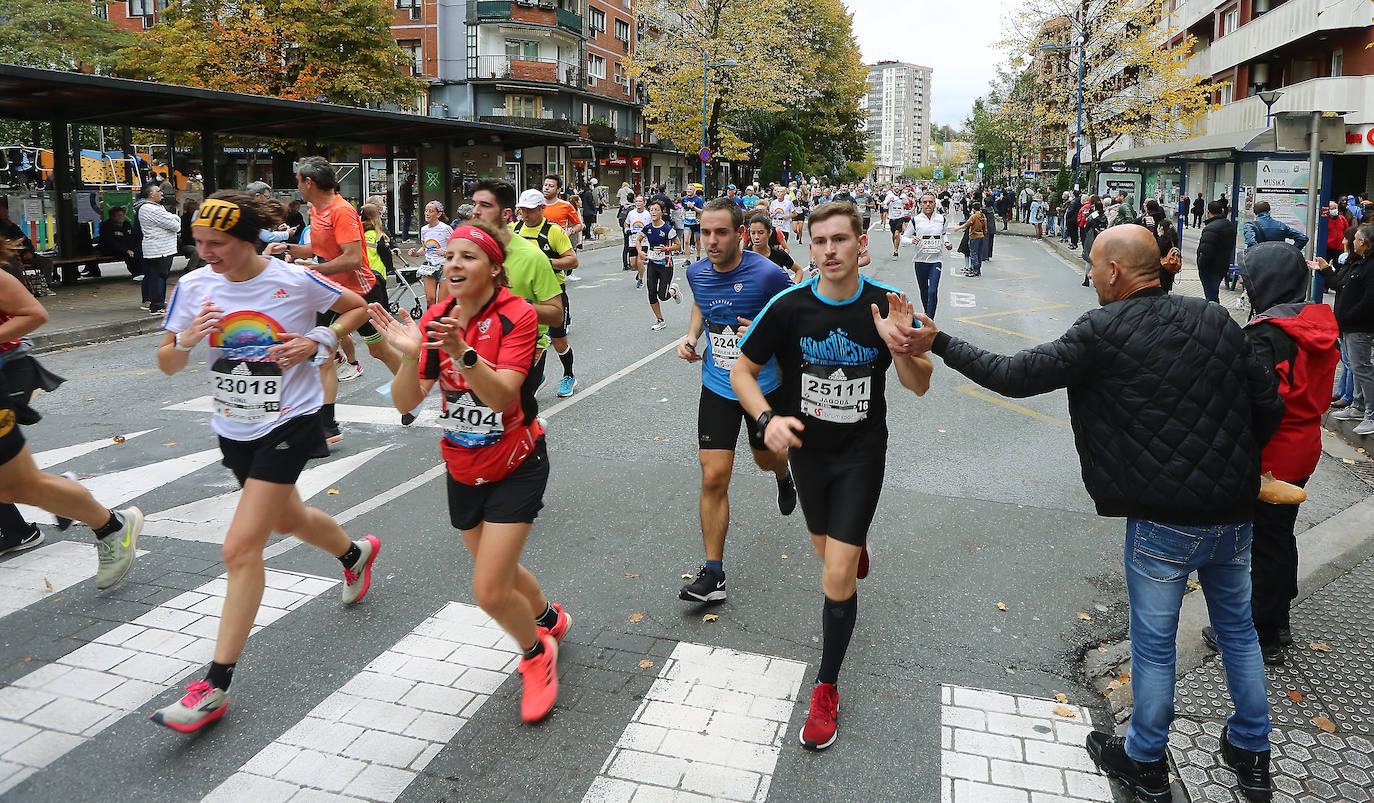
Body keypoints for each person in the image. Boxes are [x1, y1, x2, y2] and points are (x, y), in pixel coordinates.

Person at [909, 225, 1284, 803]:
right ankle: (1253, 755)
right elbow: (1268, 405)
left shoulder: (1102, 330)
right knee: (1237, 631)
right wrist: (1235, 470)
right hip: (1234, 515)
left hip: (1162, 521)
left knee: (1155, 644)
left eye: (1092, 265)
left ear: (1113, 272)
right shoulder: (1216, 319)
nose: (1089, 274)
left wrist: (940, 342)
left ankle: (1145, 761)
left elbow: (1014, 376)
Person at [149, 192, 380, 732]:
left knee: (240, 547)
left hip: (290, 421)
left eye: (218, 244)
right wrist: (184, 340)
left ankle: (214, 684)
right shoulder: (194, 286)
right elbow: (165, 364)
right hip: (234, 426)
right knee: (287, 519)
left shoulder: (292, 280)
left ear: (249, 240)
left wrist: (317, 340)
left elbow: (357, 307)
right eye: (199, 243)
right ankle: (354, 553)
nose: (207, 253)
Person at [731, 201, 933, 751]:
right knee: (827, 553)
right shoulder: (789, 306)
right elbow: (742, 370)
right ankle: (848, 544)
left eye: (840, 240)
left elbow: (919, 384)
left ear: (860, 244)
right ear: (808, 246)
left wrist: (902, 344)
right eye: (819, 242)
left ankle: (825, 685)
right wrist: (766, 418)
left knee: (835, 576)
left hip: (862, 455)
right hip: (809, 455)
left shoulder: (886, 304)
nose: (829, 251)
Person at [370, 218, 569, 724]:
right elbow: (407, 402)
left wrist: (460, 350)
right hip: (461, 463)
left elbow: (502, 394)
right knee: (495, 569)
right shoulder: (437, 314)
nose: (454, 264)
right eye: (450, 256)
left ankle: (535, 653)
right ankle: (549, 617)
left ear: (494, 269)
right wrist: (408, 357)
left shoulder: (517, 315)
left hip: (517, 460)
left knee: (488, 588)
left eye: (469, 256)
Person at [1193, 242, 1339, 671]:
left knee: (1260, 543)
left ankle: (1261, 630)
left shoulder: (1265, 335)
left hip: (1270, 449)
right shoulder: (1313, 322)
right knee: (1279, 535)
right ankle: (1278, 617)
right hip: (1306, 442)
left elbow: (1251, 400)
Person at [676, 198, 797, 604]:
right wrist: (692, 338)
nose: (710, 241)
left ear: (740, 233)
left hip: (762, 388)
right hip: (717, 384)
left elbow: (795, 314)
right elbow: (700, 302)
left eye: (720, 232)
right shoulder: (696, 271)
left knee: (766, 459)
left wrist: (762, 332)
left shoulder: (766, 274)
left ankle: (783, 474)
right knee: (713, 476)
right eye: (705, 232)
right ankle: (714, 575)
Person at [0, 248, 143, 577]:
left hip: (10, 372)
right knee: (12, 486)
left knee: (15, 487)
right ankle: (63, 497)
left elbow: (33, 313)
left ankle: (110, 525)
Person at [271, 156, 400, 442]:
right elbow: (318, 249)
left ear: (309, 182)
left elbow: (353, 259)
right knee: (323, 354)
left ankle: (412, 391)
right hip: (328, 292)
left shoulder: (341, 211)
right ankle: (327, 425)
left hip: (361, 291)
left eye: (297, 182)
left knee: (379, 351)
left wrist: (315, 267)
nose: (297, 188)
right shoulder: (316, 209)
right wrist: (289, 248)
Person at [468, 179, 564, 395]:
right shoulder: (465, 251)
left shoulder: (532, 257)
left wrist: (513, 307)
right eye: (474, 204)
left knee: (513, 418)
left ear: (506, 214)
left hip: (521, 353)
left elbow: (557, 315)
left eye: (485, 205)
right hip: (475, 351)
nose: (475, 212)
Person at [511, 189, 580, 397]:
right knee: (525, 340)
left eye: (530, 210)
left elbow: (573, 261)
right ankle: (536, 376)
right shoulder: (516, 230)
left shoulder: (553, 231)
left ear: (542, 208)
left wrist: (545, 263)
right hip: (525, 295)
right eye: (522, 209)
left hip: (552, 293)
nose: (525, 214)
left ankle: (569, 375)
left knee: (558, 340)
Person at [1319, 225, 1374, 435]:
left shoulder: (1370, 266)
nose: (1349, 242)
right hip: (1347, 325)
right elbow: (1339, 284)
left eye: (1355, 239)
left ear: (1363, 242)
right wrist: (1325, 270)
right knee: (1354, 365)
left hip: (1359, 326)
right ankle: (1358, 406)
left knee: (1361, 367)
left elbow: (1369, 298)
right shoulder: (1355, 262)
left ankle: (1371, 413)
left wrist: (1350, 314)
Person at [135, 182, 182, 316]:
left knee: (154, 276)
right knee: (159, 276)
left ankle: (154, 302)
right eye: (159, 191)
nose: (162, 193)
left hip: (158, 248)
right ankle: (157, 305)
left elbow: (170, 220)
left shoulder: (152, 207)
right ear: (151, 194)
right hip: (160, 249)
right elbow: (174, 225)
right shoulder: (151, 209)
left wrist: (172, 218)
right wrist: (175, 218)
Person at [637, 198, 682, 330]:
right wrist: (640, 252)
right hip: (652, 264)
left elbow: (678, 245)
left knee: (662, 296)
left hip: (666, 265)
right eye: (651, 210)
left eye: (656, 210)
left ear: (662, 212)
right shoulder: (648, 228)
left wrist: (666, 249)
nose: (653, 212)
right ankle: (660, 320)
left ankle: (673, 290)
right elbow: (638, 240)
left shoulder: (668, 229)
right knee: (651, 292)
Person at [905, 192, 952, 317]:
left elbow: (943, 233)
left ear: (935, 204)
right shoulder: (916, 220)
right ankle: (927, 313)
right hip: (920, 261)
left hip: (936, 261)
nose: (928, 204)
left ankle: (930, 320)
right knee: (924, 291)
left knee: (932, 291)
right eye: (925, 202)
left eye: (930, 202)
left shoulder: (941, 219)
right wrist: (911, 241)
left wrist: (947, 242)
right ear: (920, 204)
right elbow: (904, 238)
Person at [409, 201, 453, 308]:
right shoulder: (424, 230)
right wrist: (416, 254)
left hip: (445, 267)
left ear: (438, 214)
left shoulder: (446, 229)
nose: (427, 213)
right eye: (426, 211)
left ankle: (440, 322)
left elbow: (457, 247)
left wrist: (446, 253)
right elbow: (425, 249)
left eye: (431, 211)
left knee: (442, 302)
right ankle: (430, 323)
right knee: (430, 299)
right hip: (429, 265)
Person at [1196, 200, 1237, 303]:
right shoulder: (1229, 225)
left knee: (1211, 298)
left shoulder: (1211, 228)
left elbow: (1206, 251)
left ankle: (1214, 317)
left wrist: (1201, 265)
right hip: (1222, 265)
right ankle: (1216, 314)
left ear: (1208, 212)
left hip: (1210, 268)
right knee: (1213, 295)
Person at [746, 214, 801, 283]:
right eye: (753, 233)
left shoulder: (779, 254)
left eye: (761, 233)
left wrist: (793, 289)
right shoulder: (744, 255)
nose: (756, 237)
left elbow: (799, 271)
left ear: (769, 233)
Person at [1142, 199, 1180, 293]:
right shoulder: (1172, 237)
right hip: (1169, 269)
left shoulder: (1162, 240)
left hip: (1161, 270)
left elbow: (1156, 251)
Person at [1244, 201, 1309, 253]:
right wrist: (1291, 253)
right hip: (1279, 263)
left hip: (1258, 264)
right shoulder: (1281, 226)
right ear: (1269, 212)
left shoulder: (1250, 226)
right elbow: (1303, 238)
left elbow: (1250, 242)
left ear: (1255, 214)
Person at [98, 206, 138, 276]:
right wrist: (126, 250)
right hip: (110, 249)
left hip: (126, 248)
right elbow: (111, 242)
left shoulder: (127, 224)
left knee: (138, 252)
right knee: (129, 255)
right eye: (119, 215)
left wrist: (132, 248)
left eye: (123, 215)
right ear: (112, 216)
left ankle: (141, 272)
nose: (121, 217)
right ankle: (136, 273)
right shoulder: (106, 226)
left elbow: (131, 238)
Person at [624, 195, 652, 285]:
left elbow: (652, 225)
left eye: (640, 201)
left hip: (643, 241)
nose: (638, 203)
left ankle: (640, 280)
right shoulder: (631, 213)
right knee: (633, 264)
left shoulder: (648, 214)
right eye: (637, 201)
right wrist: (626, 229)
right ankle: (640, 272)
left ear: (644, 203)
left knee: (640, 262)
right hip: (632, 241)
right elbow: (626, 223)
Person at [1079, 195, 1107, 286]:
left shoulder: (1093, 215)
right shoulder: (1104, 216)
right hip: (1101, 237)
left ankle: (1086, 279)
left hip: (1092, 237)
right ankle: (1096, 280)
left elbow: (1086, 225)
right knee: (1098, 260)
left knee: (1089, 258)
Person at [953, 202, 985, 278]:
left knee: (973, 253)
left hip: (974, 236)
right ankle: (978, 270)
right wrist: (984, 233)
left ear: (973, 209)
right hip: (981, 235)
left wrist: (958, 228)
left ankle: (975, 270)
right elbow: (985, 227)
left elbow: (967, 224)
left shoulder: (974, 216)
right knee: (979, 253)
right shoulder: (982, 216)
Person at [885, 187, 910, 258]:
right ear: (893, 188)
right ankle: (895, 246)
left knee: (897, 234)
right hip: (892, 218)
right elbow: (884, 205)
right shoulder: (889, 195)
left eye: (897, 186)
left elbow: (908, 206)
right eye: (895, 186)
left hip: (900, 217)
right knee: (894, 235)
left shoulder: (903, 196)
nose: (896, 188)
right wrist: (889, 201)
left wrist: (906, 203)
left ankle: (895, 251)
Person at [681, 188, 705, 260]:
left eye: (690, 189)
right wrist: (682, 211)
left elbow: (702, 211)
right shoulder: (684, 199)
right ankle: (687, 259)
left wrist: (693, 207)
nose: (688, 191)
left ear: (694, 191)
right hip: (687, 222)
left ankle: (698, 256)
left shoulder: (698, 199)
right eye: (687, 189)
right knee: (686, 241)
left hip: (696, 222)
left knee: (697, 240)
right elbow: (683, 207)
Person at [399, 171, 416, 239]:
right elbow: (407, 197)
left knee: (407, 221)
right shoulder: (406, 186)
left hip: (405, 206)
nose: (413, 181)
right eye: (413, 180)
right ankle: (405, 237)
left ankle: (405, 236)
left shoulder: (405, 185)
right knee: (407, 222)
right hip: (407, 206)